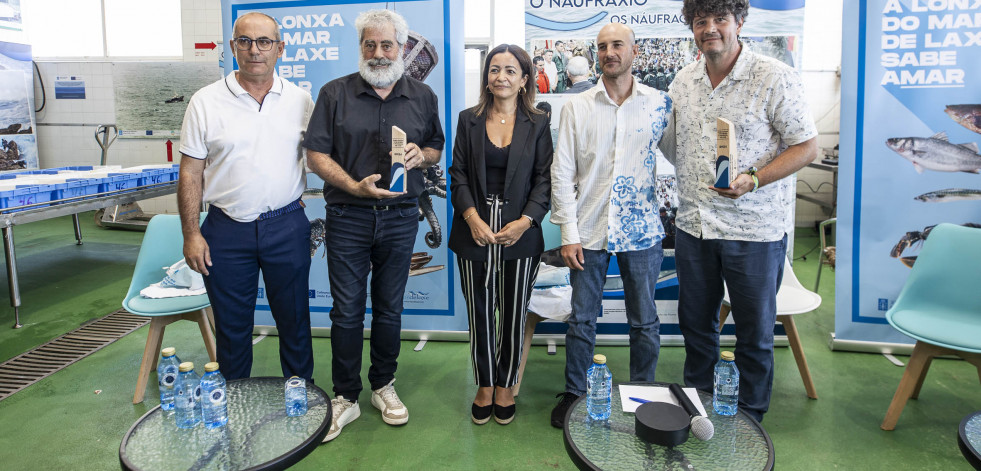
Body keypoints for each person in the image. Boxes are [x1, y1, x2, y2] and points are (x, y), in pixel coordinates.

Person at [662, 0, 818, 422]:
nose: (709, 28)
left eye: (719, 20)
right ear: (691, 28)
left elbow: (807, 146)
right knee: (696, 327)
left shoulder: (774, 77)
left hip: (754, 233)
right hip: (694, 228)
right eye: (700, 22)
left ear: (739, 22)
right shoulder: (683, 81)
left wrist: (755, 177)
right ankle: (698, 408)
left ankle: (749, 418)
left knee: (753, 334)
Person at [303, 9, 444, 442]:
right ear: (360, 47)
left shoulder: (423, 96)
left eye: (387, 45)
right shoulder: (334, 94)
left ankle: (383, 384)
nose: (379, 54)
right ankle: (345, 395)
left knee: (389, 308)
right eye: (370, 44)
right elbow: (316, 155)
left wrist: (425, 155)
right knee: (346, 311)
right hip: (348, 217)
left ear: (401, 47)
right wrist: (354, 187)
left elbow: (437, 146)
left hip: (401, 219)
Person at [177, 12, 315, 382]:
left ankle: (302, 403)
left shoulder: (301, 100)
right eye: (245, 41)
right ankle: (234, 403)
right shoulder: (205, 101)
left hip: (286, 225)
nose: (255, 50)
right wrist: (191, 233)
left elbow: (318, 159)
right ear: (233, 47)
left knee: (295, 322)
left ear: (280, 48)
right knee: (233, 330)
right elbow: (190, 172)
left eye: (264, 41)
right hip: (225, 230)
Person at [549, 23, 673, 428]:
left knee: (644, 321)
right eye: (602, 47)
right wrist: (568, 234)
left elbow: (683, 157)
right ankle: (576, 394)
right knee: (582, 319)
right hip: (589, 230)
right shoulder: (577, 106)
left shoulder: (659, 104)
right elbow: (561, 172)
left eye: (617, 44)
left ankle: (644, 397)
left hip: (641, 232)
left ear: (634, 51)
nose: (609, 52)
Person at [448, 44, 553, 426]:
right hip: (474, 229)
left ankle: (506, 384)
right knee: (480, 312)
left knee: (512, 311)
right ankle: (485, 383)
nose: (502, 77)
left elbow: (545, 180)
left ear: (525, 79)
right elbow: (457, 173)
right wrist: (472, 217)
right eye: (495, 69)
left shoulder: (539, 122)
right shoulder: (468, 119)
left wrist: (526, 221)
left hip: (519, 231)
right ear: (486, 77)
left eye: (511, 70)